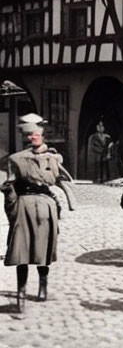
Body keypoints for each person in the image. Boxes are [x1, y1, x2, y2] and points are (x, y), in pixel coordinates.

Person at [3, 122, 75, 313]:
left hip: (45, 205)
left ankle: (43, 287)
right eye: (29, 135)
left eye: (35, 135)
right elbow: (9, 186)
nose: (32, 138)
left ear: (43, 136)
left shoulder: (52, 159)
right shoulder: (16, 159)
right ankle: (21, 291)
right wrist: (12, 208)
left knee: (42, 249)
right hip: (25, 205)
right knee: (21, 250)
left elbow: (59, 180)